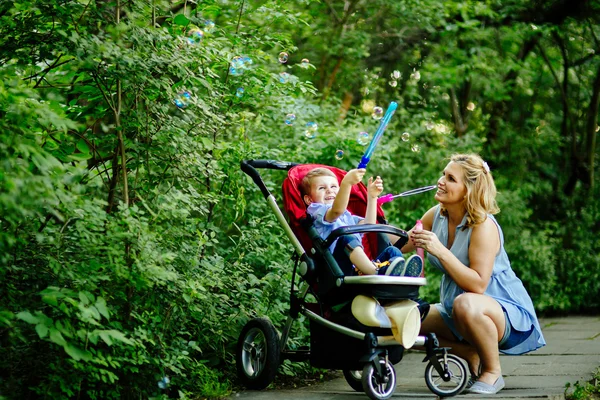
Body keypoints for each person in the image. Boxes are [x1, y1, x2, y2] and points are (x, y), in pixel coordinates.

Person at [402, 153, 546, 395]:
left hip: (501, 312)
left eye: (450, 178)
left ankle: (492, 371)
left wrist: (439, 250)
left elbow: (478, 285)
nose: (441, 181)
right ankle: (469, 353)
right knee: (402, 322)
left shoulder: (483, 226)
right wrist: (373, 205)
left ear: (468, 190)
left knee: (466, 303)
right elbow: (396, 245)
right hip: (455, 309)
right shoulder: (436, 215)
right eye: (443, 174)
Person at [301, 167, 423, 277]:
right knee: (346, 238)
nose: (329, 191)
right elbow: (336, 210)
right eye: (322, 188)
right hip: (337, 269)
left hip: (357, 270)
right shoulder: (316, 211)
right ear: (309, 199)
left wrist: (372, 197)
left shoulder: (346, 216)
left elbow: (368, 227)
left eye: (334, 186)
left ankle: (398, 274)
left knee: (393, 251)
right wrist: (347, 183)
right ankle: (376, 272)